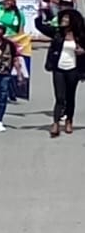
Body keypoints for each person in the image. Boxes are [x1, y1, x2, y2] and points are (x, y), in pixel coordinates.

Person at [37, 8, 85, 137]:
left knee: (70, 97)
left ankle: (69, 120)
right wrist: (40, 14)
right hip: (58, 69)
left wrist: (83, 51)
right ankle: (56, 123)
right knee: (60, 98)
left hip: (73, 69)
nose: (63, 20)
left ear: (72, 21)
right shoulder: (57, 33)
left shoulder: (81, 35)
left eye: (66, 19)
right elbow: (40, 26)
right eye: (62, 18)